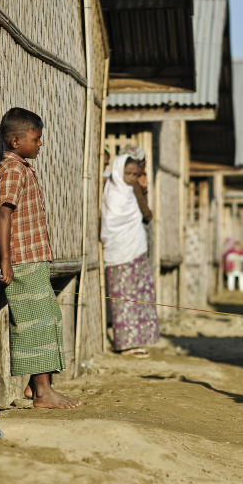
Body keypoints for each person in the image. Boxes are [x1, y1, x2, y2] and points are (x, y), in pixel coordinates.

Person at [0, 107, 80, 409]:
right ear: (16, 141)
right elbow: (3, 214)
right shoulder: (13, 171)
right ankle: (43, 393)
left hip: (34, 258)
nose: (40, 144)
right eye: (36, 139)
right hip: (23, 260)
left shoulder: (23, 167)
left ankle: (36, 387)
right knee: (36, 323)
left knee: (47, 318)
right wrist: (6, 260)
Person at [101, 146, 161, 358]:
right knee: (122, 298)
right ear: (118, 170)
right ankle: (124, 343)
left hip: (135, 249)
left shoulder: (131, 190)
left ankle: (138, 339)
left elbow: (143, 215)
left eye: (135, 174)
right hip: (118, 253)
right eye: (128, 174)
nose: (132, 178)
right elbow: (110, 223)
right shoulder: (111, 191)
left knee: (138, 295)